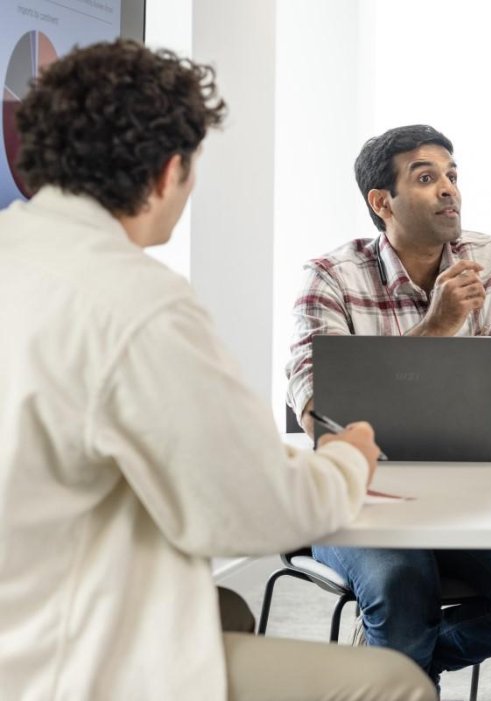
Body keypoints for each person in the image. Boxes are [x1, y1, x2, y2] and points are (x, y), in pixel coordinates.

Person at [0, 40, 434, 700]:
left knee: (224, 611)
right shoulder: (136, 301)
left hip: (27, 606)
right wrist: (348, 459)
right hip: (57, 664)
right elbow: (260, 511)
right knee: (394, 682)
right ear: (169, 172)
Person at [285, 124, 491, 684]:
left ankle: (398, 670)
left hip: (468, 498)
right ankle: (400, 666)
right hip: (357, 501)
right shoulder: (328, 277)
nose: (449, 189)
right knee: (403, 589)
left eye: (452, 175)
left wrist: (393, 413)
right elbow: (324, 418)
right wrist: (436, 330)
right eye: (426, 177)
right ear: (380, 201)